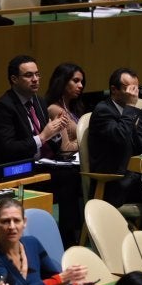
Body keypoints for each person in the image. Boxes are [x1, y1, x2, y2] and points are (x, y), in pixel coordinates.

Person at [0, 198, 88, 285]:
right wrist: (61, 278)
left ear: (24, 222)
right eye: (5, 221)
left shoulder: (32, 243)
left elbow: (53, 276)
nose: (12, 226)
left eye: (16, 220)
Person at [0, 55, 68, 182]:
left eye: (37, 74)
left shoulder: (39, 101)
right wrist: (43, 137)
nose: (35, 79)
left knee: (74, 174)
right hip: (15, 172)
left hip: (40, 166)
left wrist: (56, 131)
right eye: (29, 75)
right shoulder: (3, 107)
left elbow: (52, 146)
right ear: (14, 79)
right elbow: (8, 149)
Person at [88, 68, 142, 208]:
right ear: (114, 90)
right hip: (113, 182)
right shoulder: (103, 110)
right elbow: (120, 137)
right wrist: (130, 107)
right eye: (129, 88)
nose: (134, 94)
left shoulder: (127, 111)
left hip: (130, 177)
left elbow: (136, 147)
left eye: (137, 88)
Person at [44, 62, 87, 247]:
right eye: (75, 81)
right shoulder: (56, 109)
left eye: (82, 82)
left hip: (76, 163)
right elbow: (65, 147)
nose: (80, 86)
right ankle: (72, 236)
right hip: (59, 167)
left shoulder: (74, 108)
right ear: (62, 82)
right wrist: (87, 141)